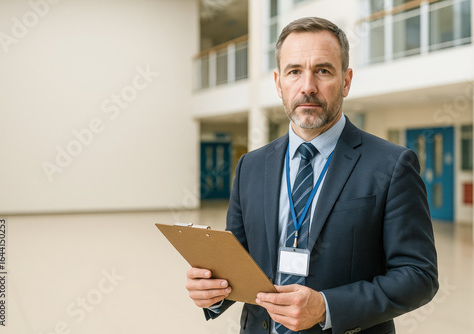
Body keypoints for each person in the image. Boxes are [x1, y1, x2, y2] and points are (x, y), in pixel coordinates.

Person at [186, 17, 438, 334]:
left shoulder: (392, 164)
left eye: (322, 70)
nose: (307, 86)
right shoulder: (251, 165)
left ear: (346, 81)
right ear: (279, 83)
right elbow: (241, 259)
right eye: (294, 72)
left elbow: (419, 275)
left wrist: (326, 307)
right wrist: (213, 292)